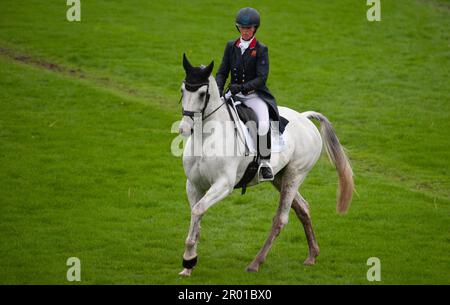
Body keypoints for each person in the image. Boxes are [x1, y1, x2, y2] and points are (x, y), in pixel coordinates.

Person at [216, 7, 286, 181]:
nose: (245, 31)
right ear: (238, 28)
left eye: (249, 28)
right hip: (233, 94)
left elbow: (262, 78)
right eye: (242, 28)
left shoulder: (261, 49)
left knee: (262, 125)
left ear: (255, 29)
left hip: (254, 96)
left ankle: (264, 163)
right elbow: (222, 72)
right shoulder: (231, 46)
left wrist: (241, 88)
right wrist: (218, 91)